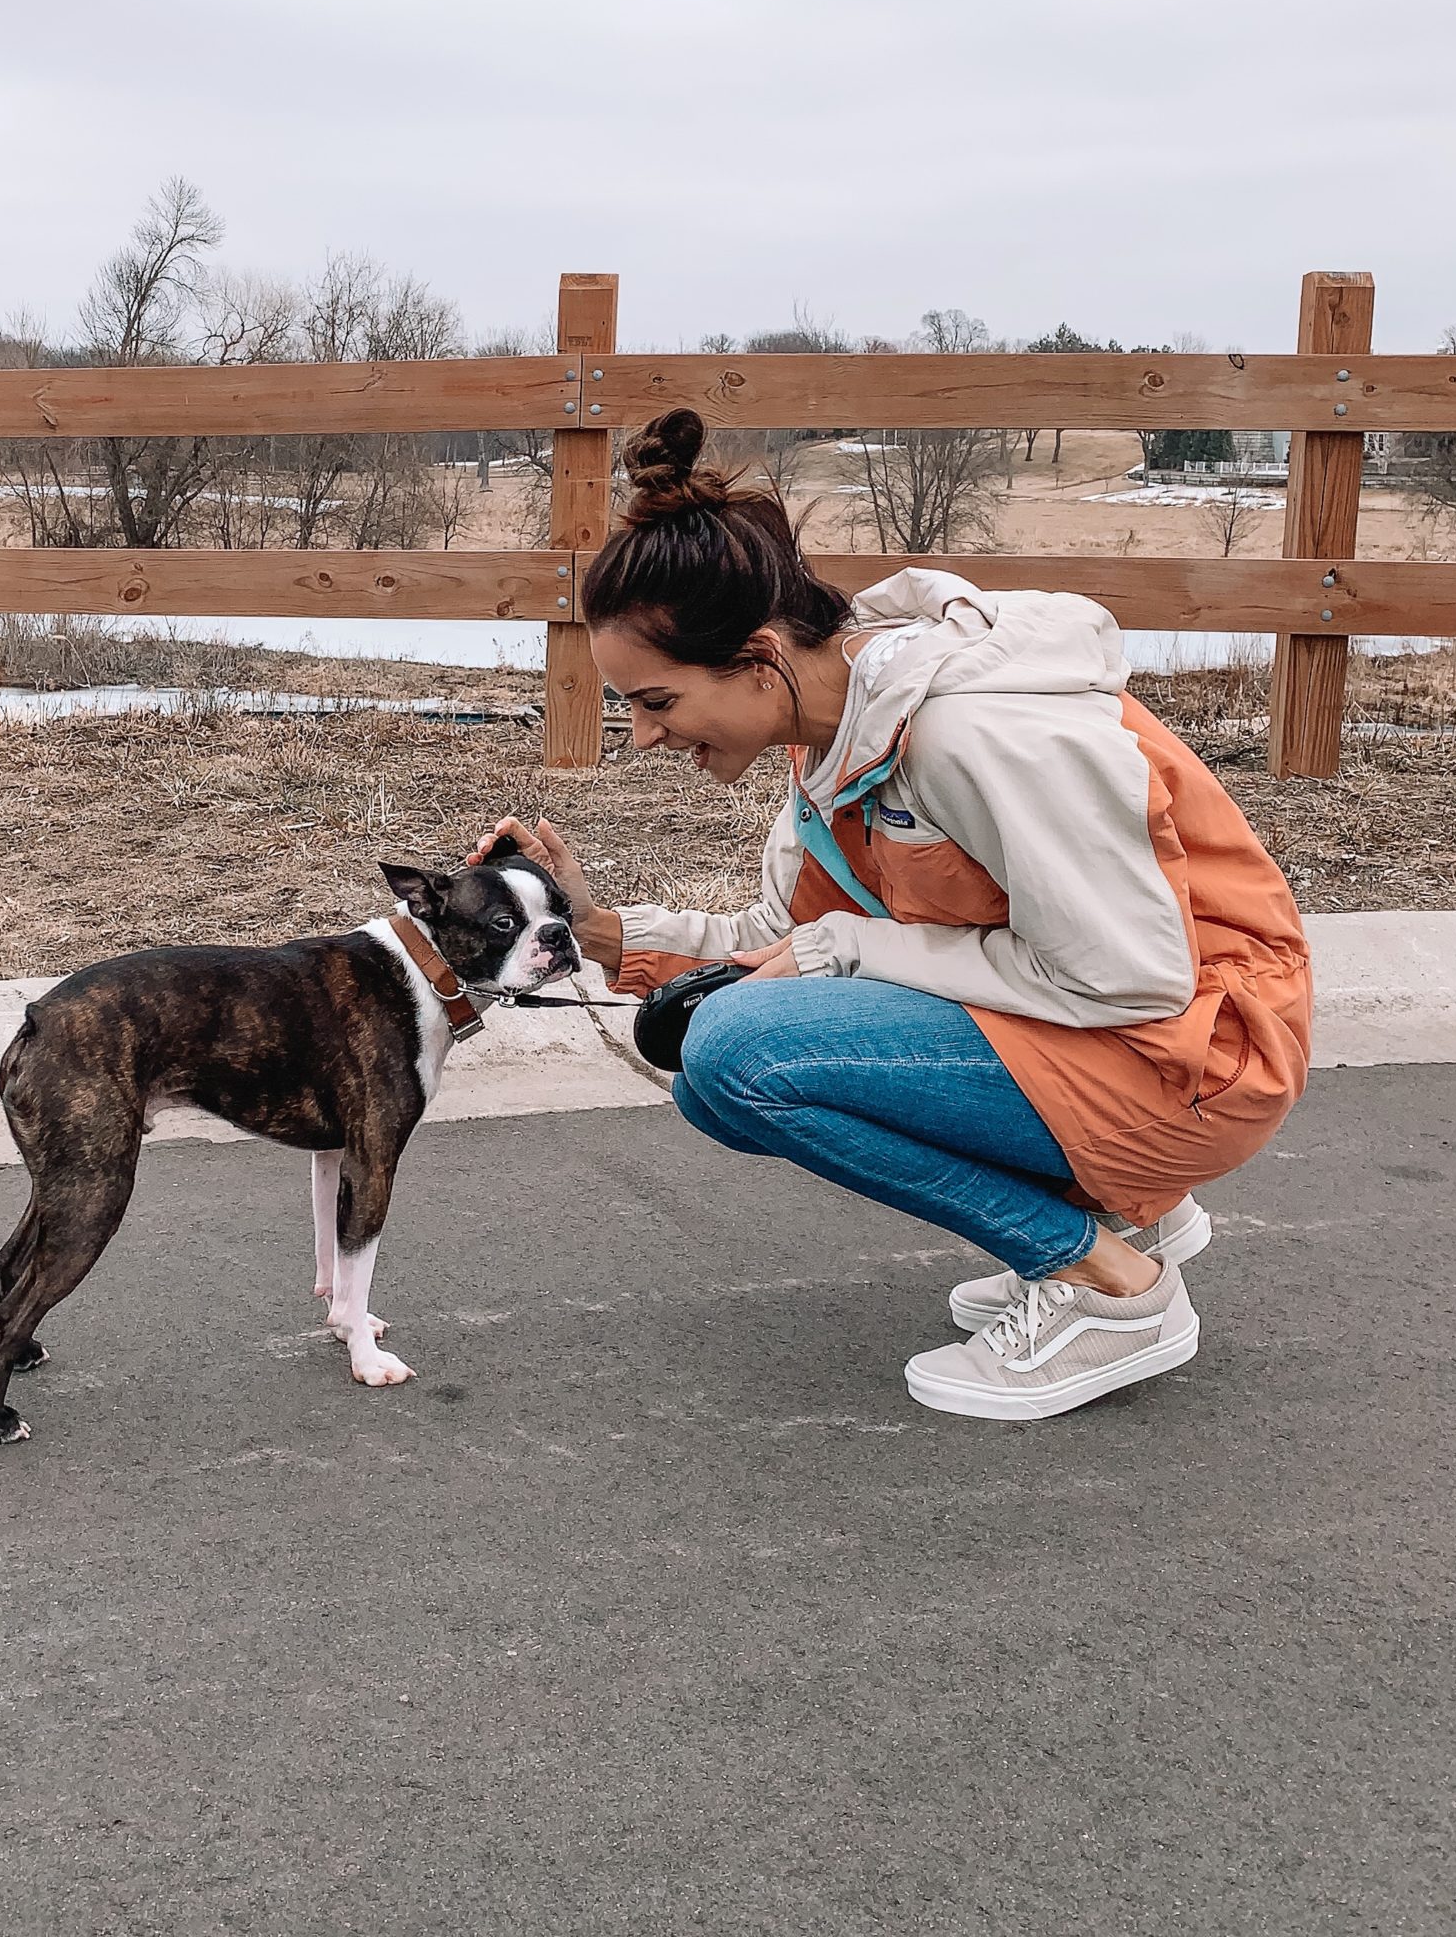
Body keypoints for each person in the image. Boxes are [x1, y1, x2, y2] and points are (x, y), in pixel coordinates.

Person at [478, 410, 1310, 1422]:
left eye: (655, 701)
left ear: (758, 658)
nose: (644, 737)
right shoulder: (835, 746)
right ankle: (1106, 1220)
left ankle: (1109, 1285)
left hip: (1202, 1058)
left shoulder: (974, 728)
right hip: (1114, 1042)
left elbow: (1131, 973)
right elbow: (782, 948)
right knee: (717, 1074)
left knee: (744, 1053)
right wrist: (593, 926)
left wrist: (850, 946)